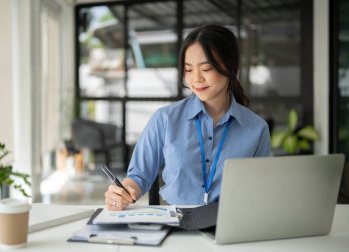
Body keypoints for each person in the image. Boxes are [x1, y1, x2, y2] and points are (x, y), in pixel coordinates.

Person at [104, 24, 271, 210]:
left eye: (206, 69)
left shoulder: (257, 128)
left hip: (232, 224)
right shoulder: (165, 119)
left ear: (231, 67)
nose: (196, 79)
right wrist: (123, 193)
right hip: (175, 224)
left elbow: (262, 190)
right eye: (189, 69)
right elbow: (138, 177)